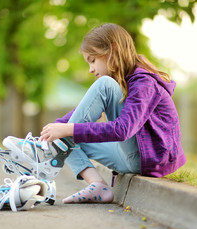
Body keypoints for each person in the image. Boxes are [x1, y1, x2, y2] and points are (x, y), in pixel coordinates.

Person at [39, 23, 186, 204]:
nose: (91, 69)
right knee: (62, 135)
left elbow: (123, 130)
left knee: (103, 88)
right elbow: (75, 119)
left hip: (149, 158)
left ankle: (43, 167)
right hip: (133, 155)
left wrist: (68, 128)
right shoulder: (124, 81)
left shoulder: (144, 82)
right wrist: (54, 130)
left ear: (113, 50)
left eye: (92, 60)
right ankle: (97, 184)